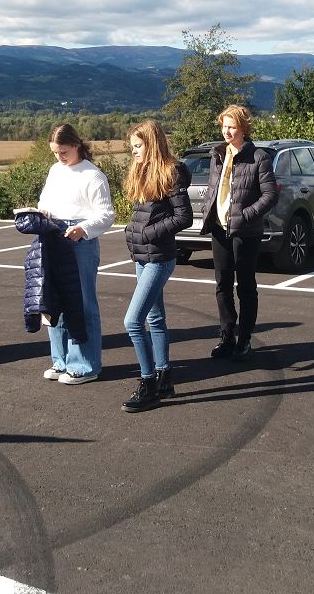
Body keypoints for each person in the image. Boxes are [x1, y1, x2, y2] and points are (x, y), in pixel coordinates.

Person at [120, 121, 193, 412]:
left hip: (159, 259)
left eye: (138, 146)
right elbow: (144, 215)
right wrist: (133, 232)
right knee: (155, 318)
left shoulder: (171, 172)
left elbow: (183, 217)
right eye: (132, 147)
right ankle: (165, 377)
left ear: (152, 144)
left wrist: (149, 233)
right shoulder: (142, 170)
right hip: (142, 256)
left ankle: (148, 383)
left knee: (132, 322)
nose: (134, 151)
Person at [198, 104, 278, 361]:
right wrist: (208, 209)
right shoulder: (218, 154)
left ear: (243, 128)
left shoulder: (259, 157)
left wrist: (245, 216)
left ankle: (244, 338)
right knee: (222, 284)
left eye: (232, 127)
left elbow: (270, 195)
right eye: (224, 126)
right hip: (219, 228)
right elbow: (214, 188)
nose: (227, 131)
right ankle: (227, 336)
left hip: (246, 232)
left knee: (245, 286)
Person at [37, 123, 115, 384]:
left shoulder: (93, 176)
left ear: (76, 145)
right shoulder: (55, 170)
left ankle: (85, 366)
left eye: (63, 152)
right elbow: (45, 201)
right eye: (55, 152)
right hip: (53, 235)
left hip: (80, 240)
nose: (59, 157)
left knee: (81, 303)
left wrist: (83, 228)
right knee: (54, 299)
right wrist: (42, 212)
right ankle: (61, 361)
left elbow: (106, 215)